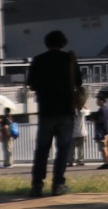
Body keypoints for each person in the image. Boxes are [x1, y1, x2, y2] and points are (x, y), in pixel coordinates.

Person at [26, 30, 83, 198]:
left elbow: (31, 84)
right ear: (63, 42)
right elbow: (79, 82)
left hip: (46, 111)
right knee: (63, 149)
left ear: (47, 43)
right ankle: (58, 184)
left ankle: (37, 185)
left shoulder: (38, 60)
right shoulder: (69, 59)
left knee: (42, 150)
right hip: (65, 111)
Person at [90, 92, 108, 168]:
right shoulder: (106, 109)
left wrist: (94, 119)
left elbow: (100, 120)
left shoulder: (101, 110)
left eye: (97, 100)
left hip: (102, 132)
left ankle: (106, 163)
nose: (96, 102)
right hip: (107, 131)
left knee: (104, 148)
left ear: (101, 101)